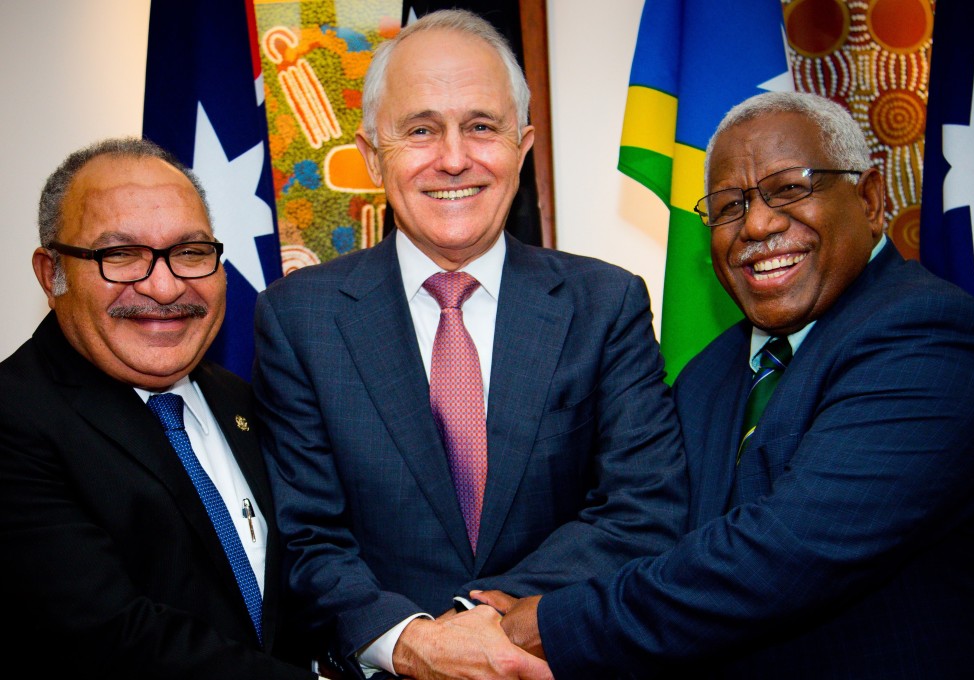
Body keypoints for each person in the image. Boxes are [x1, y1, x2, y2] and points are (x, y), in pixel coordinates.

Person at [477, 91, 974, 677]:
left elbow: (787, 551)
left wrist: (550, 624)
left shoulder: (933, 337)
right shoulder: (708, 373)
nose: (757, 224)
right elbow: (650, 525)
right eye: (729, 205)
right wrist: (487, 610)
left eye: (790, 188)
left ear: (869, 199)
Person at [252, 9, 683, 680]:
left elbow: (642, 508)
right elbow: (307, 536)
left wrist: (472, 623)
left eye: (482, 127)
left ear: (523, 143)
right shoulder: (297, 319)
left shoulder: (607, 303)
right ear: (372, 155)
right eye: (420, 130)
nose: (454, 158)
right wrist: (409, 642)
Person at [0, 138, 319, 679]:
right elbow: (111, 639)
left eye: (191, 252)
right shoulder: (16, 416)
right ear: (51, 273)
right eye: (120, 255)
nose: (166, 286)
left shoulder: (244, 400)